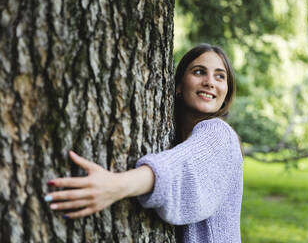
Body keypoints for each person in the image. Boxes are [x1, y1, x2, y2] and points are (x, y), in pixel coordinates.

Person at [44, 43, 243, 243]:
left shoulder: (220, 134)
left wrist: (115, 186)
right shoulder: (174, 137)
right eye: (199, 72)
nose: (210, 82)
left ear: (226, 93)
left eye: (220, 76)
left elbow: (182, 169)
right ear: (179, 85)